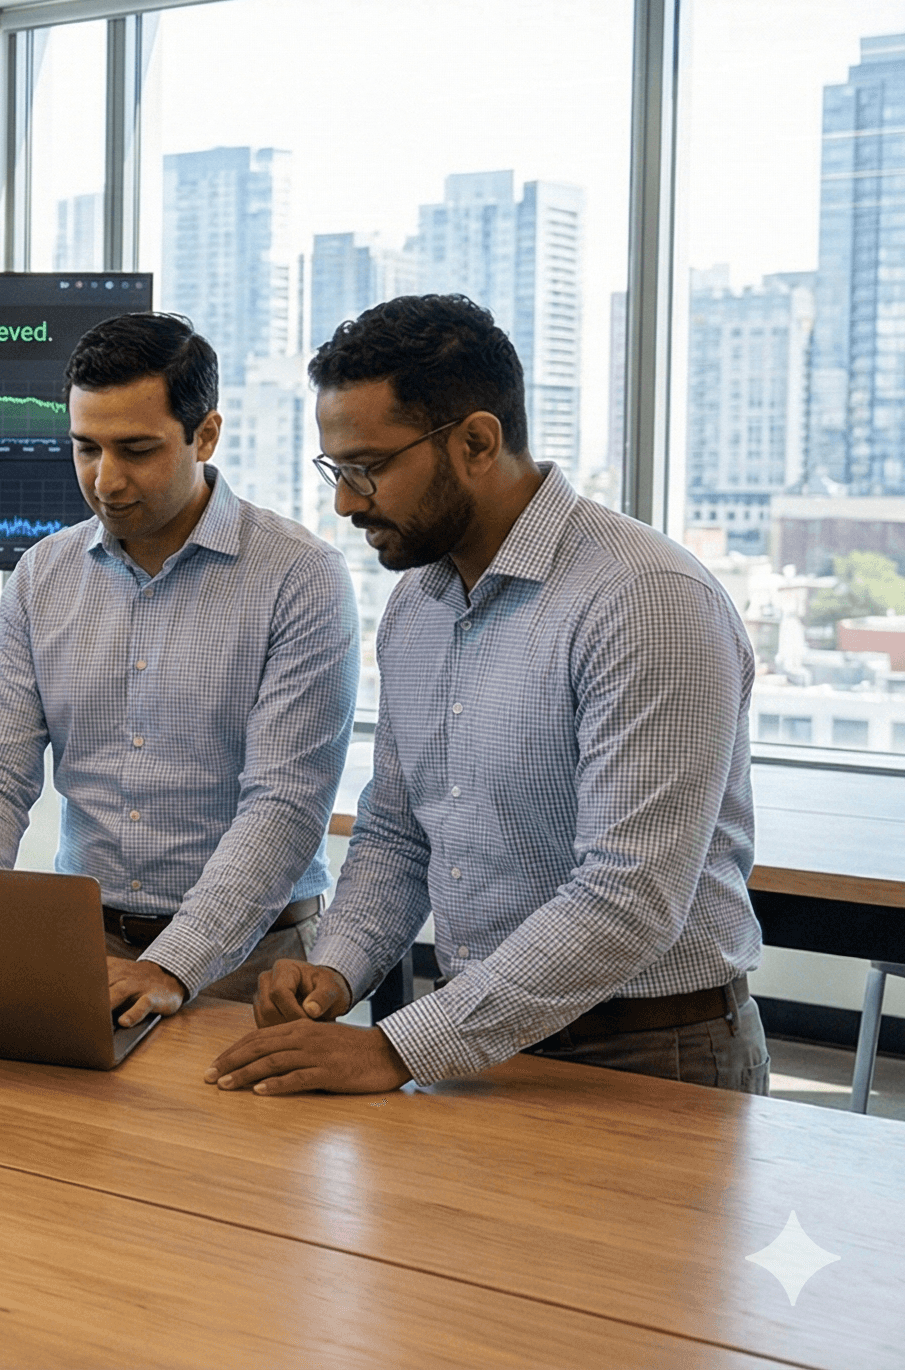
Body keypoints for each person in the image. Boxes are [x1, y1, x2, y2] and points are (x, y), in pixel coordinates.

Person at [210, 293, 766, 1096]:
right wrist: (333, 968)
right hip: (477, 1037)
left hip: (647, 1055)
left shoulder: (646, 599)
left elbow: (629, 897)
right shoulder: (416, 606)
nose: (345, 502)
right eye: (337, 469)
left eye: (368, 467)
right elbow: (399, 835)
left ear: (476, 441)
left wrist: (397, 1049)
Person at [0, 312, 357, 1026]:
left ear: (206, 435)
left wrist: (175, 961)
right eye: (85, 448)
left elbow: (284, 803)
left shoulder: (300, 577)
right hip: (81, 944)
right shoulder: (42, 575)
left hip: (250, 958)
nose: (105, 480)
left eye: (136, 450)